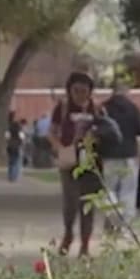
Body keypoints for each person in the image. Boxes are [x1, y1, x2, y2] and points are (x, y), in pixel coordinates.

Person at [49, 71, 106, 257]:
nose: (80, 94)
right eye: (76, 90)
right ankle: (68, 233)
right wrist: (59, 148)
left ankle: (85, 244)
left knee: (88, 204)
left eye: (84, 90)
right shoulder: (63, 108)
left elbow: (108, 131)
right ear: (69, 91)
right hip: (70, 161)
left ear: (90, 91)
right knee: (70, 202)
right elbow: (52, 132)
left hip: (91, 161)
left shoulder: (98, 109)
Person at [100, 82, 140, 232]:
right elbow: (139, 136)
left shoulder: (103, 108)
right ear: (126, 92)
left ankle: (113, 216)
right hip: (129, 155)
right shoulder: (133, 108)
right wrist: (139, 156)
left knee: (109, 189)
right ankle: (125, 227)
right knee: (129, 191)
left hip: (109, 155)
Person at [6, 113, 24, 183]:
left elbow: (7, 137)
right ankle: (14, 176)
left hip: (10, 145)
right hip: (16, 146)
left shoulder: (9, 127)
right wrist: (21, 143)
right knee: (16, 161)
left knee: (10, 161)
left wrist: (8, 142)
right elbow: (22, 137)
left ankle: (10, 176)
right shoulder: (18, 127)